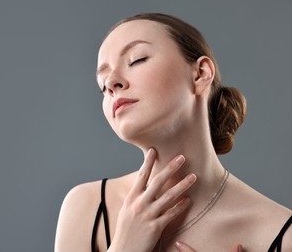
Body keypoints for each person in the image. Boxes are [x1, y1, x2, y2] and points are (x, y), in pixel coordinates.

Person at [55, 13, 292, 252]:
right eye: (102, 83)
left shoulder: (282, 234)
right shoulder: (87, 207)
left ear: (200, 73)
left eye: (136, 59)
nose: (112, 83)